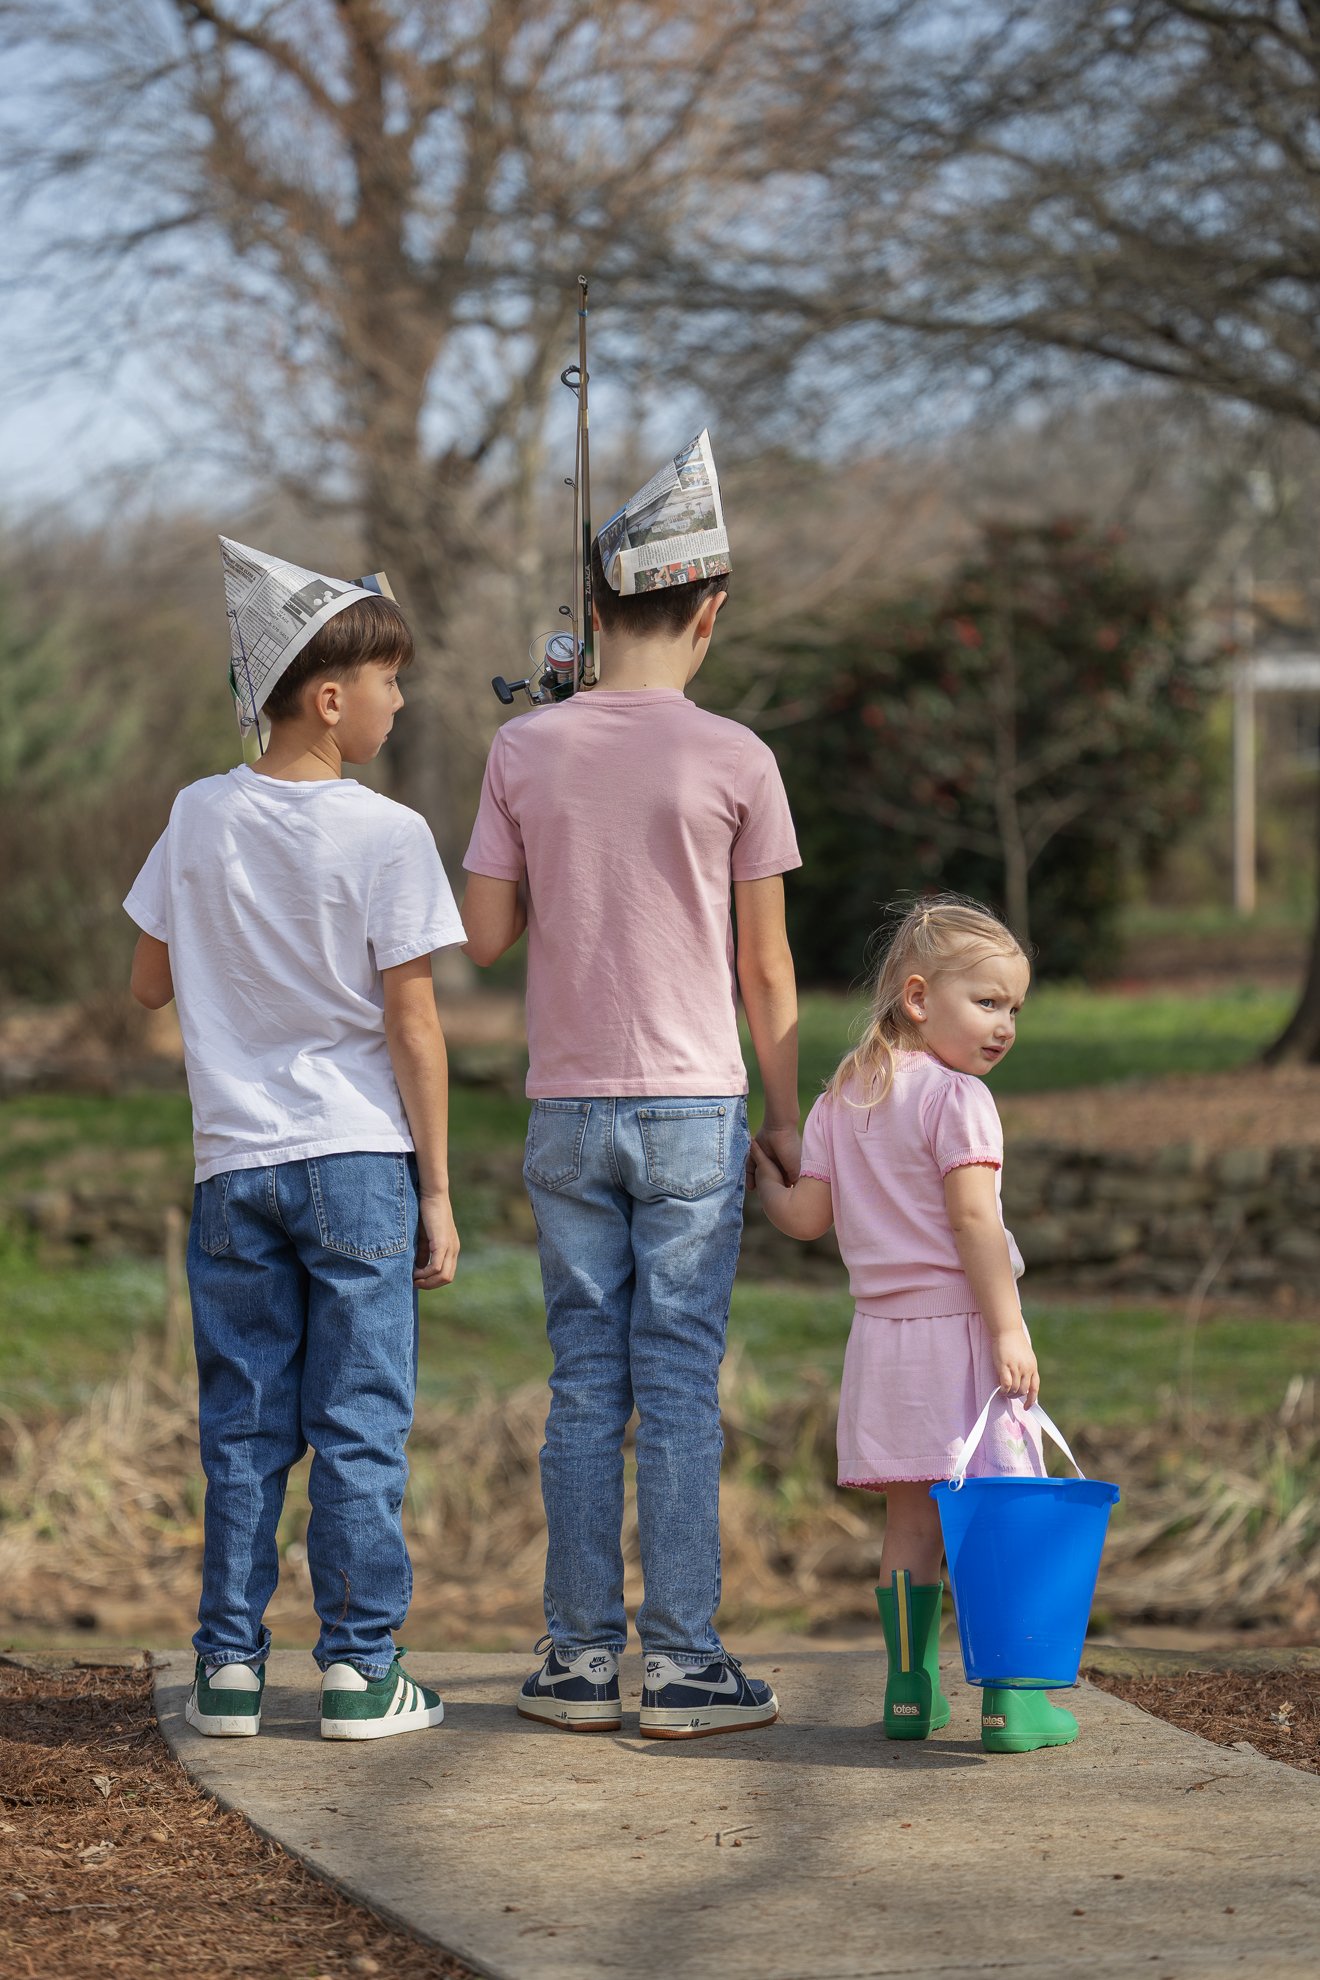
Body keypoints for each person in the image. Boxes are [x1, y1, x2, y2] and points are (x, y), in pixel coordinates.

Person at [462, 432, 801, 1739]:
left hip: (565, 1111)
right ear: (707, 613)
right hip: (695, 1114)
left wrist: (542, 744)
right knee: (676, 1381)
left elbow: (483, 940)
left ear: (592, 613)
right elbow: (765, 971)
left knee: (582, 1383)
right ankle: (683, 1668)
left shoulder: (522, 751)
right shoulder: (739, 760)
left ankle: (568, 1663)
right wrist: (783, 1116)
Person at [125, 539, 465, 1742]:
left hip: (233, 1166)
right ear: (329, 698)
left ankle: (227, 1670)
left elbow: (149, 981)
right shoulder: (388, 834)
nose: (399, 699)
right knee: (360, 1426)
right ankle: (361, 1675)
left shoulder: (196, 813)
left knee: (245, 1428)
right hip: (359, 1162)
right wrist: (438, 1189)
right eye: (387, 682)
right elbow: (414, 1028)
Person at [750, 894, 1079, 1756]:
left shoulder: (844, 1096)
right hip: (964, 1333)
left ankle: (909, 1692)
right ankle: (1012, 1703)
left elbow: (808, 1219)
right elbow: (974, 1222)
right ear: (919, 996)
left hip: (882, 1342)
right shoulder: (956, 1098)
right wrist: (1009, 1331)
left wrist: (768, 1183)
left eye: (1015, 1007)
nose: (1005, 1024)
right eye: (989, 1002)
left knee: (910, 1522)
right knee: (1001, 1509)